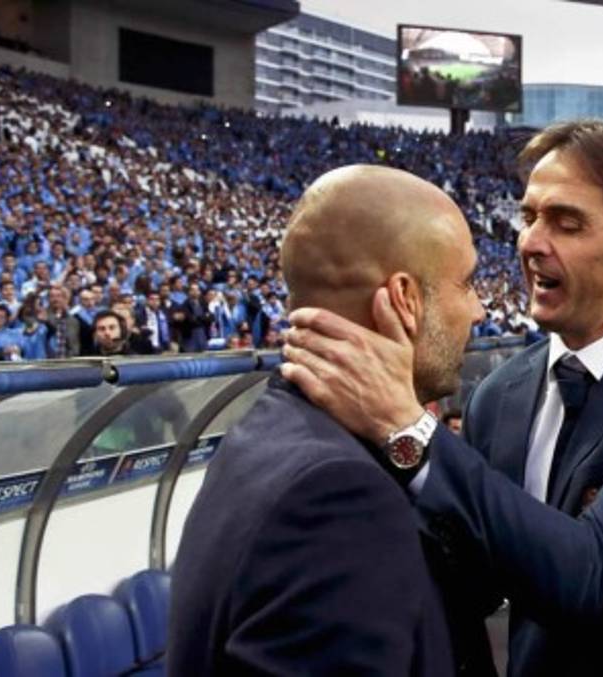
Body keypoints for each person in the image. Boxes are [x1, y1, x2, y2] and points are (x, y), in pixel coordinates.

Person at [283, 121, 603, 676]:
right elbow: (477, 580)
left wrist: (406, 428)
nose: (531, 243)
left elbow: (593, 576)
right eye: (529, 216)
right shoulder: (502, 394)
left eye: (566, 223)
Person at [168, 165, 484, 676]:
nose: (479, 308)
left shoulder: (268, 440)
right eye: (467, 283)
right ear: (403, 300)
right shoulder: (340, 497)